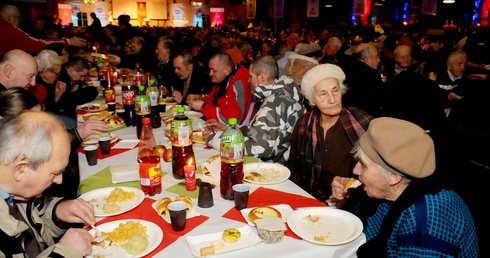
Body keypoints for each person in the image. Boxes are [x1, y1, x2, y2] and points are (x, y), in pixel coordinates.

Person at [330, 117, 479, 257]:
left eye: (363, 166)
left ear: (394, 177)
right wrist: (349, 196)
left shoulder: (423, 225)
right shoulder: (393, 189)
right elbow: (366, 215)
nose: (355, 171)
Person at [0, 111, 97, 257]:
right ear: (21, 169)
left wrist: (57, 212)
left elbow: (33, 228)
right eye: (54, 172)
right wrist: (65, 253)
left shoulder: (16, 190)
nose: (59, 180)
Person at [288, 64, 372, 202]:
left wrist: (349, 197)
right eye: (323, 94)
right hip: (308, 198)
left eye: (335, 91)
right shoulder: (304, 123)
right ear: (312, 100)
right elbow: (293, 164)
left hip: (352, 203)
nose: (332, 100)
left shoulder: (363, 123)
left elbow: (377, 175)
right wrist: (304, 197)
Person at [204, 55, 306, 164]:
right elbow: (261, 133)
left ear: (262, 77)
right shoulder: (282, 95)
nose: (248, 80)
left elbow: (262, 147)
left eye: (250, 76)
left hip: (269, 169)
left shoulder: (275, 103)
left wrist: (215, 140)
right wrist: (228, 128)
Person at [187, 52, 254, 125]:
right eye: (210, 69)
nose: (210, 73)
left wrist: (203, 106)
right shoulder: (223, 78)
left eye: (214, 70)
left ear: (227, 70)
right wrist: (200, 98)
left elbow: (232, 121)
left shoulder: (238, 84)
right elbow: (214, 98)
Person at [0, 4, 87, 56]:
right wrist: (68, 41)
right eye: (18, 17)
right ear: (9, 19)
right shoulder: (10, 31)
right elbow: (37, 44)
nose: (20, 20)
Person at [338, 43, 384, 117]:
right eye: (376, 57)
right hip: (364, 119)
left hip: (342, 115)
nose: (379, 60)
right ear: (367, 60)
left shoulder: (342, 68)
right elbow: (379, 102)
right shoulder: (372, 75)